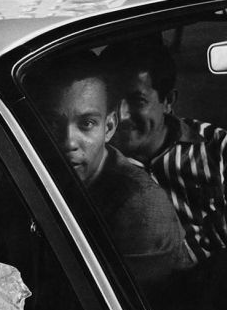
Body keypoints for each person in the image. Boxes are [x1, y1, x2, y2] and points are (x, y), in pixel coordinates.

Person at [101, 38, 227, 262]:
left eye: (138, 101)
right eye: (112, 99)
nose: (121, 115)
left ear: (168, 101)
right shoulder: (94, 163)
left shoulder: (224, 152)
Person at [27, 51, 192, 290]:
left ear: (110, 126)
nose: (68, 142)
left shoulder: (141, 207)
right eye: (52, 123)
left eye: (87, 124)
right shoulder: (7, 182)